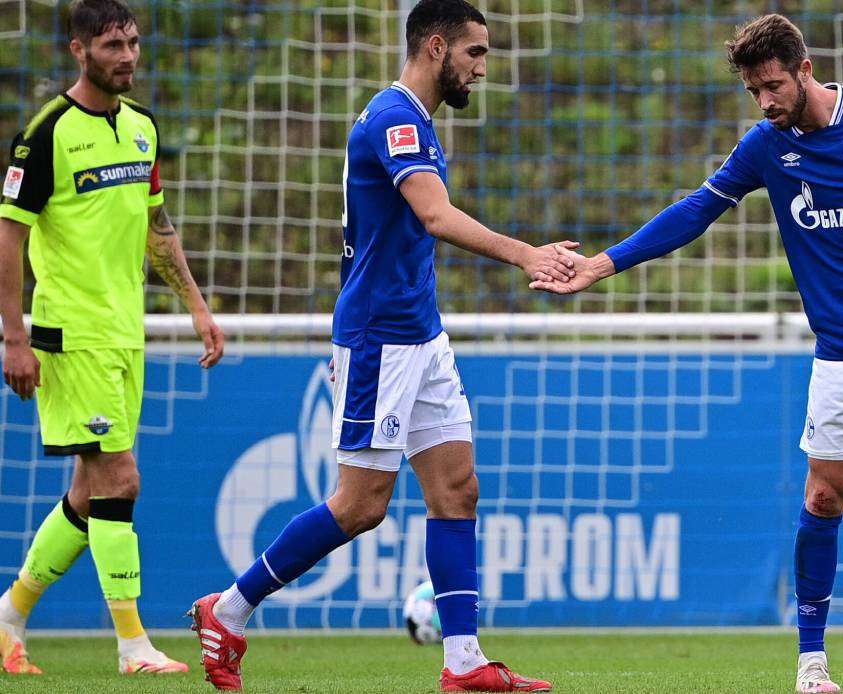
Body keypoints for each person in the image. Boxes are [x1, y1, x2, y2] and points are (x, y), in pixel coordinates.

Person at [532, 14, 843, 693]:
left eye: (774, 85)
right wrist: (601, 266)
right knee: (823, 495)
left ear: (805, 69)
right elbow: (695, 210)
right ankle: (811, 663)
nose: (766, 102)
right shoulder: (766, 148)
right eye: (754, 91)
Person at [187, 1, 570, 691]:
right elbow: (434, 214)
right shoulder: (394, 118)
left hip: (421, 333)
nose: (481, 68)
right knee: (361, 505)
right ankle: (230, 609)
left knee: (457, 488)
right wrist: (524, 254)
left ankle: (463, 664)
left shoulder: (417, 123)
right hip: (378, 340)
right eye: (474, 53)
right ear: (435, 47)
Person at [0, 0, 224, 677]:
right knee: (120, 476)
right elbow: (9, 235)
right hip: (70, 333)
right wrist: (13, 336)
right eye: (110, 45)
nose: (125, 56)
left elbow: (158, 226)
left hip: (126, 334)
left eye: (131, 42)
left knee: (87, 492)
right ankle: (133, 646)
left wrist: (197, 306)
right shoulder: (46, 133)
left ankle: (8, 617)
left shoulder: (143, 129)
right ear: (77, 50)